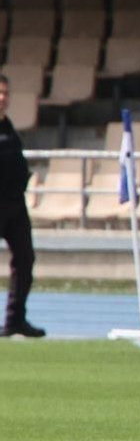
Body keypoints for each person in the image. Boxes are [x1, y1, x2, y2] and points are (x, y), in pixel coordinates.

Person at [0, 73, 42, 339]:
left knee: (25, 259)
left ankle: (15, 319)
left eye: (5, 93)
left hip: (15, 206)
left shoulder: (9, 128)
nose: (2, 98)